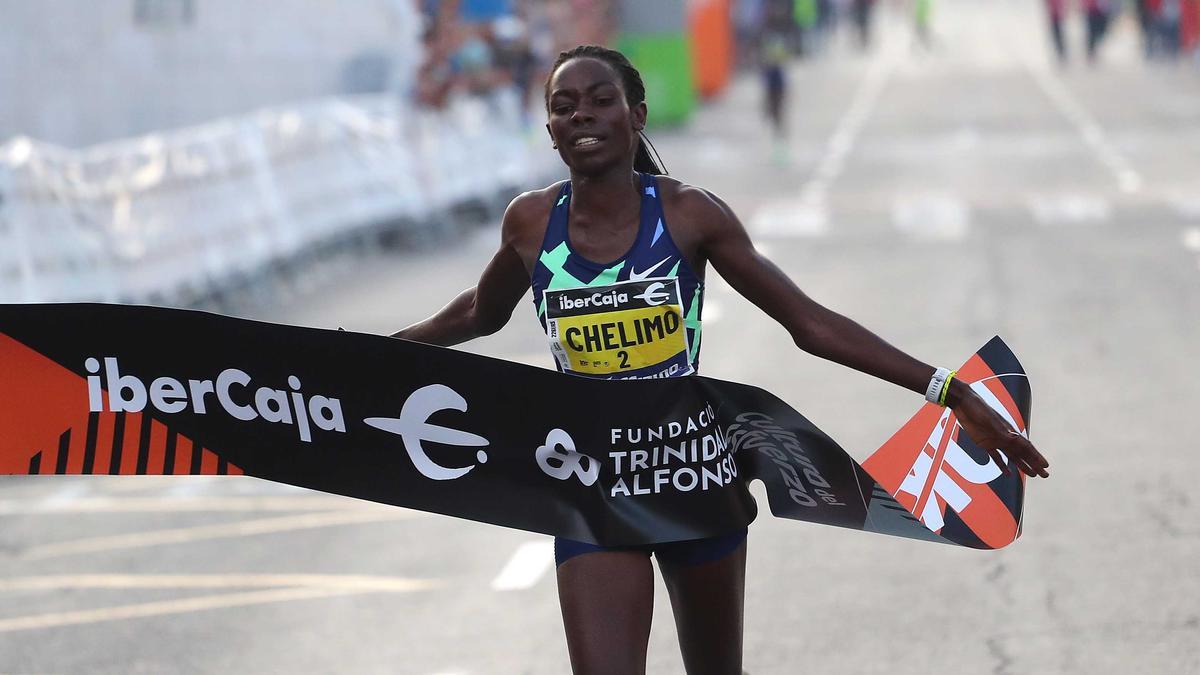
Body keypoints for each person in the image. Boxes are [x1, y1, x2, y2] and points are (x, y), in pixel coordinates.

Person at [392, 44, 1050, 675]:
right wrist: (360, 356)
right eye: (565, 107)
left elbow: (809, 323)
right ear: (550, 130)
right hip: (593, 485)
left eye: (600, 100)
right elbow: (479, 311)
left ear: (636, 115)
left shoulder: (687, 216)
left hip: (692, 478)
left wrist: (953, 392)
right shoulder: (533, 224)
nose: (582, 115)